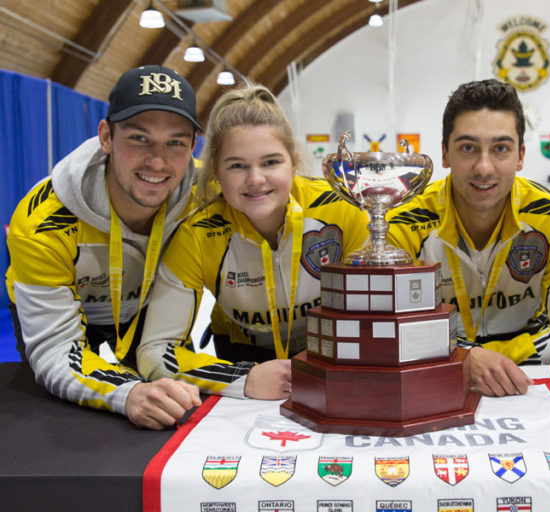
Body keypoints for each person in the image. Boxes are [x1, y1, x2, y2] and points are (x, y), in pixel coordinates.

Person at [137, 84, 369, 400]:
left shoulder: (342, 210)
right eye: (237, 165)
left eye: (271, 162)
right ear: (216, 171)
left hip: (333, 354)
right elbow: (153, 350)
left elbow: (377, 317)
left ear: (294, 161)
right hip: (241, 359)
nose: (256, 179)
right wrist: (240, 379)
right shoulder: (198, 234)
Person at [6, 65, 203, 429]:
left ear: (193, 146)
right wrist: (125, 394)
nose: (157, 161)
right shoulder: (41, 222)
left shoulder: (206, 196)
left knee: (166, 404)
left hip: (147, 309)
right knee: (68, 417)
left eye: (175, 142)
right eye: (139, 138)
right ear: (106, 137)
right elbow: (54, 351)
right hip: (71, 309)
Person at [387, 79, 550, 397]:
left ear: (520, 155)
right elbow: (389, 330)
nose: (484, 167)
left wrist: (471, 359)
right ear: (444, 154)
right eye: (468, 148)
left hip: (524, 387)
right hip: (433, 386)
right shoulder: (402, 223)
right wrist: (466, 360)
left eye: (500, 149)